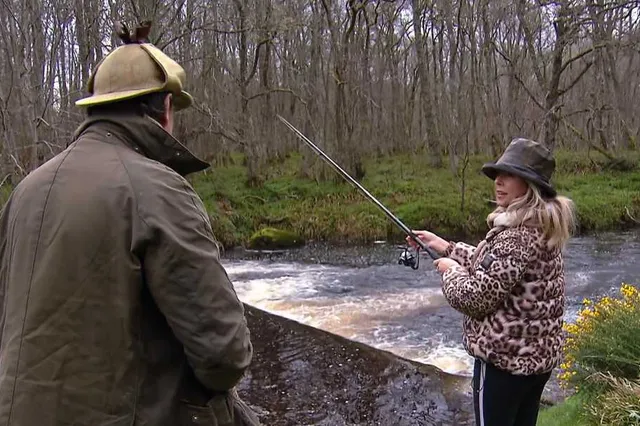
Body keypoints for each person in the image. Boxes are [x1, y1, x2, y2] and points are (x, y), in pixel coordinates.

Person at [0, 22, 259, 425]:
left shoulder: (25, 191)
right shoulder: (158, 189)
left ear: (95, 107)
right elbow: (225, 354)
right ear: (166, 109)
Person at [408, 138, 576, 426]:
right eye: (497, 174)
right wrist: (446, 247)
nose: (498, 181)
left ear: (529, 184)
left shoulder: (515, 236)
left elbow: (474, 297)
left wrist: (451, 271)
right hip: (535, 363)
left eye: (509, 174)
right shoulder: (541, 227)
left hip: (504, 365)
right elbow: (497, 267)